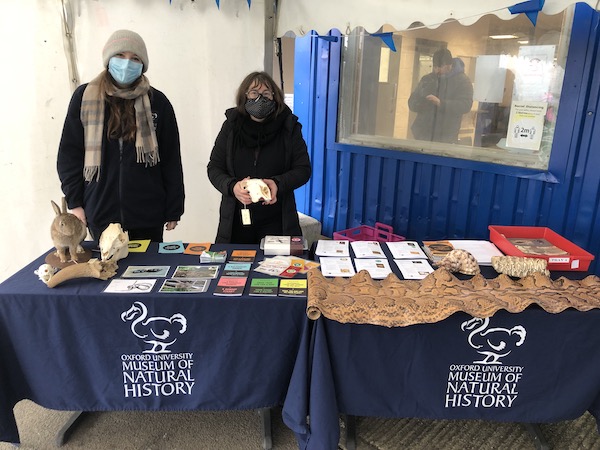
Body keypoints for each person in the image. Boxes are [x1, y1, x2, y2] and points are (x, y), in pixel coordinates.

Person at [57, 29, 184, 242]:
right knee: (107, 273)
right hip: (99, 212)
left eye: (135, 58)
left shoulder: (158, 102)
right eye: (120, 56)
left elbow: (171, 159)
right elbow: (69, 155)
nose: (127, 64)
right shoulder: (84, 98)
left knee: (147, 273)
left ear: (143, 64)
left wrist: (174, 207)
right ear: (108, 60)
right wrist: (75, 203)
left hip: (147, 215)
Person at [207, 71, 311, 244]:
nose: (259, 99)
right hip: (236, 219)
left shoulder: (289, 127)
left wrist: (277, 183)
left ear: (275, 97)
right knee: (234, 268)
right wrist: (232, 187)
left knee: (277, 268)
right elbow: (214, 168)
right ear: (244, 96)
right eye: (254, 93)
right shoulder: (231, 127)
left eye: (266, 94)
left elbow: (303, 169)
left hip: (278, 220)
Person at [408, 48, 473, 144]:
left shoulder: (463, 81)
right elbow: (412, 102)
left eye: (440, 67)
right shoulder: (427, 79)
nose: (437, 70)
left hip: (446, 136)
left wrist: (441, 103)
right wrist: (422, 102)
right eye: (435, 67)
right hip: (422, 134)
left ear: (449, 65)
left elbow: (465, 105)